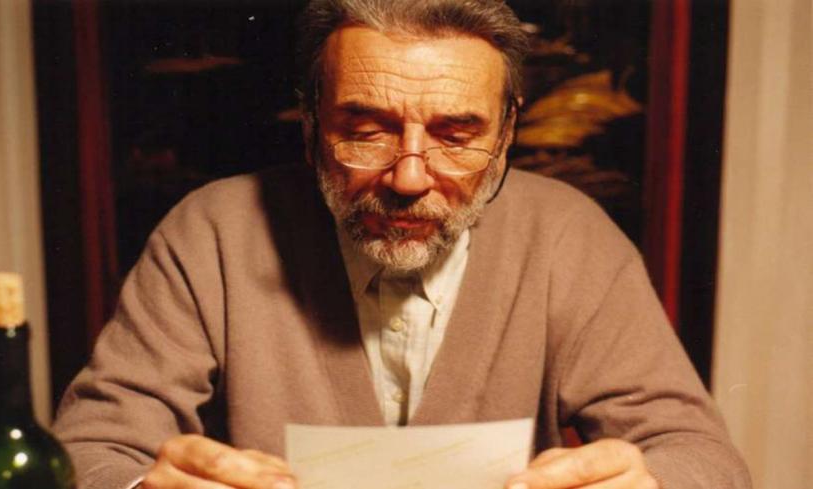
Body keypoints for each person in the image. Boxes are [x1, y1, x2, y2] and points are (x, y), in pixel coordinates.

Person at [52, 1, 751, 488]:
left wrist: (652, 482)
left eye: (456, 135)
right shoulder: (210, 233)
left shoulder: (572, 237)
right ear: (312, 123)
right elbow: (88, 450)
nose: (410, 178)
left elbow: (705, 458)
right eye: (367, 129)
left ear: (507, 131)